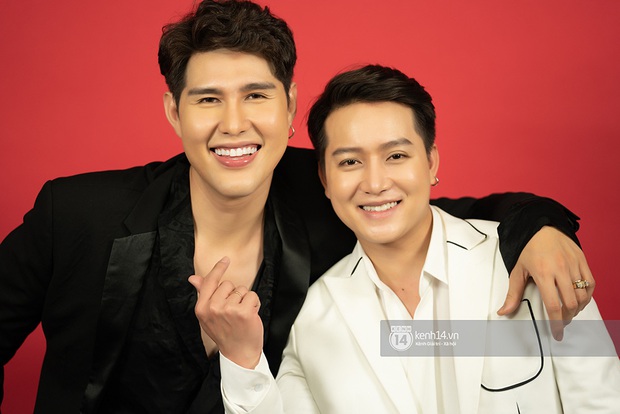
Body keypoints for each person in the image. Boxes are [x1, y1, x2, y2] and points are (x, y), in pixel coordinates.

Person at [0, 1, 594, 412]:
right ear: (174, 113)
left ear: (288, 107)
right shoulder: (75, 214)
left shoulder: (335, 195)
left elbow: (434, 205)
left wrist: (542, 227)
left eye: (256, 95)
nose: (235, 124)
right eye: (208, 99)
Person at [214, 65, 620, 413]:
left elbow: (603, 401)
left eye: (396, 156)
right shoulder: (314, 318)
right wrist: (242, 360)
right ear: (325, 178)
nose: (375, 183)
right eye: (350, 161)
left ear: (431, 162)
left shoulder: (529, 259)